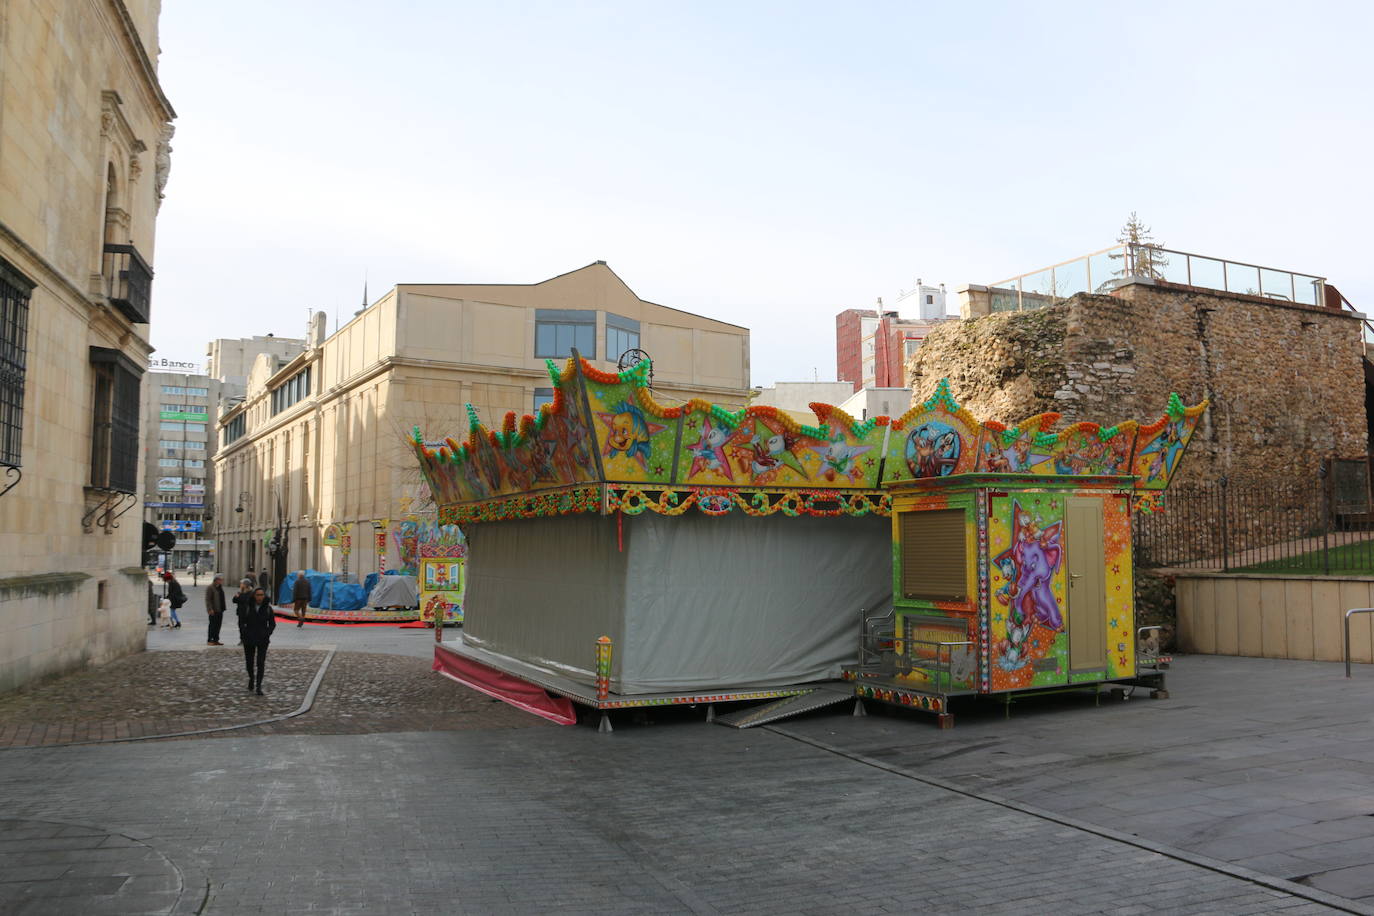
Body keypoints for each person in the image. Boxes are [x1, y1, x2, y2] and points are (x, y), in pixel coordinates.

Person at [240, 586, 276, 695]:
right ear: (254, 596)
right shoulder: (248, 607)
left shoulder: (268, 608)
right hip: (249, 639)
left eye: (261, 595)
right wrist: (244, 633)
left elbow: (272, 624)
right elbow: (241, 622)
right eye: (258, 595)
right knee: (249, 663)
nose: (260, 597)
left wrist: (267, 633)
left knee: (260, 662)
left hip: (262, 639)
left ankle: (259, 685)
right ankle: (251, 678)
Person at [204, 574, 226, 646]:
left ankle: (216, 639)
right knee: (212, 625)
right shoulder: (210, 588)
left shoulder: (220, 588)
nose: (221, 581)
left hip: (220, 609)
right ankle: (210, 640)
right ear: (216, 580)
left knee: (218, 625)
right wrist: (210, 609)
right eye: (220, 580)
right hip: (213, 609)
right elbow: (208, 599)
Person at [232, 577, 255, 646]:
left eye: (241, 584)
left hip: (248, 613)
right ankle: (242, 640)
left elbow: (248, 601)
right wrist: (236, 596)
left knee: (249, 627)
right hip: (241, 613)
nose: (240, 585)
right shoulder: (240, 592)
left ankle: (249, 640)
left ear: (245, 585)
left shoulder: (251, 593)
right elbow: (234, 600)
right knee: (241, 627)